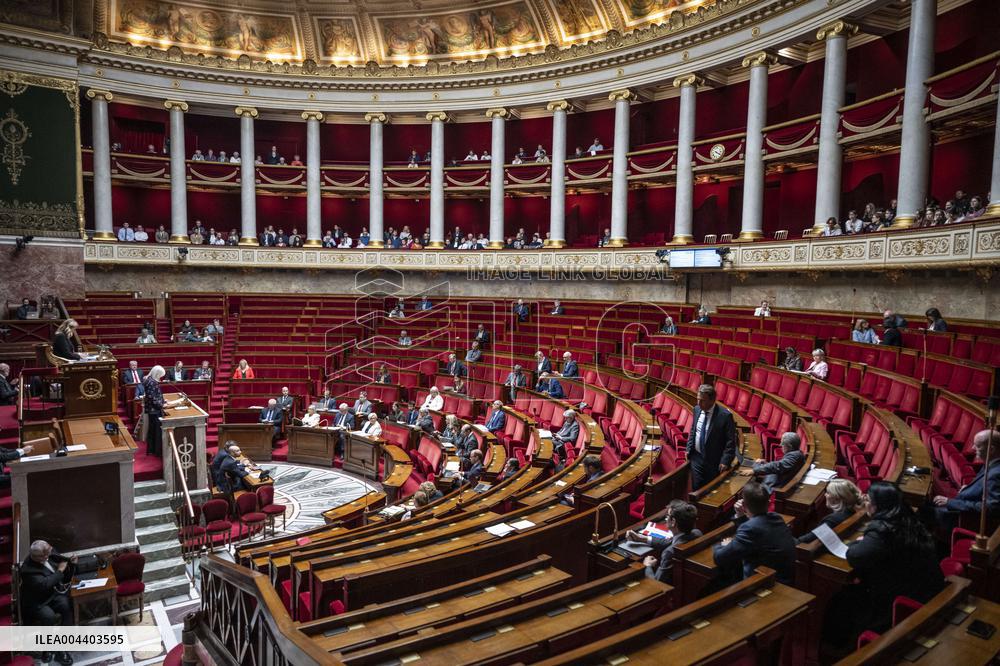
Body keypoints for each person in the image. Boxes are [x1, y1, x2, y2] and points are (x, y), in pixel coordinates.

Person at [826, 482, 945, 647]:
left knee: (841, 599)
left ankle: (840, 646)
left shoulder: (883, 530)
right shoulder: (908, 518)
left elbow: (854, 556)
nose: (865, 503)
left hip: (900, 598)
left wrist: (857, 543)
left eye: (868, 500)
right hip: (926, 587)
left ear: (876, 506)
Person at [712, 481, 796, 585]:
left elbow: (719, 558)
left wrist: (722, 545)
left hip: (766, 582)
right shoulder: (776, 517)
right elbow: (755, 529)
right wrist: (741, 515)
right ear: (769, 503)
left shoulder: (750, 528)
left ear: (743, 504)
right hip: (784, 577)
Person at [933, 429, 1000, 533]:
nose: (973, 448)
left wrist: (950, 502)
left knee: (922, 513)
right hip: (962, 507)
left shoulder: (996, 474)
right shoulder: (991, 462)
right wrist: (968, 488)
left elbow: (992, 508)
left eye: (978, 446)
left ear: (991, 449)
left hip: (964, 518)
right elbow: (982, 487)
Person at [20, 539, 76, 664]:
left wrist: (71, 563)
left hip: (51, 595)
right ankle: (47, 648)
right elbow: (45, 584)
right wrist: (60, 570)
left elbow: (62, 564)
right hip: (37, 601)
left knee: (66, 605)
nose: (51, 553)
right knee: (48, 617)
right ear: (41, 556)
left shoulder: (49, 552)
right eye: (48, 553)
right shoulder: (27, 570)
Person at [627, 500, 702, 583]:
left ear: (673, 522)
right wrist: (642, 538)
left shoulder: (669, 553)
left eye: (667, 516)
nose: (666, 519)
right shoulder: (697, 533)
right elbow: (671, 542)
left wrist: (647, 566)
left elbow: (657, 584)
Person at [686, 384, 738, 490]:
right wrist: (689, 447)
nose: (698, 403)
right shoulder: (696, 410)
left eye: (702, 400)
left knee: (709, 490)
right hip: (696, 457)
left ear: (712, 400)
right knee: (696, 488)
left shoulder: (725, 416)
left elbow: (730, 441)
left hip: (714, 461)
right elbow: (693, 430)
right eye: (698, 400)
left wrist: (725, 460)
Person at [797, 479, 863, 544]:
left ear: (837, 498)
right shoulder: (854, 511)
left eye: (828, 493)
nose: (825, 495)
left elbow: (803, 541)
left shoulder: (832, 520)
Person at [143, 365, 183, 456]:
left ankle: (152, 450)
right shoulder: (151, 382)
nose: (161, 378)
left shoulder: (150, 380)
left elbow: (155, 395)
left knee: (153, 430)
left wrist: (163, 400)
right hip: (154, 410)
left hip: (153, 409)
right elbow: (152, 398)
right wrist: (162, 404)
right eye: (160, 375)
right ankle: (156, 451)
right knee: (156, 431)